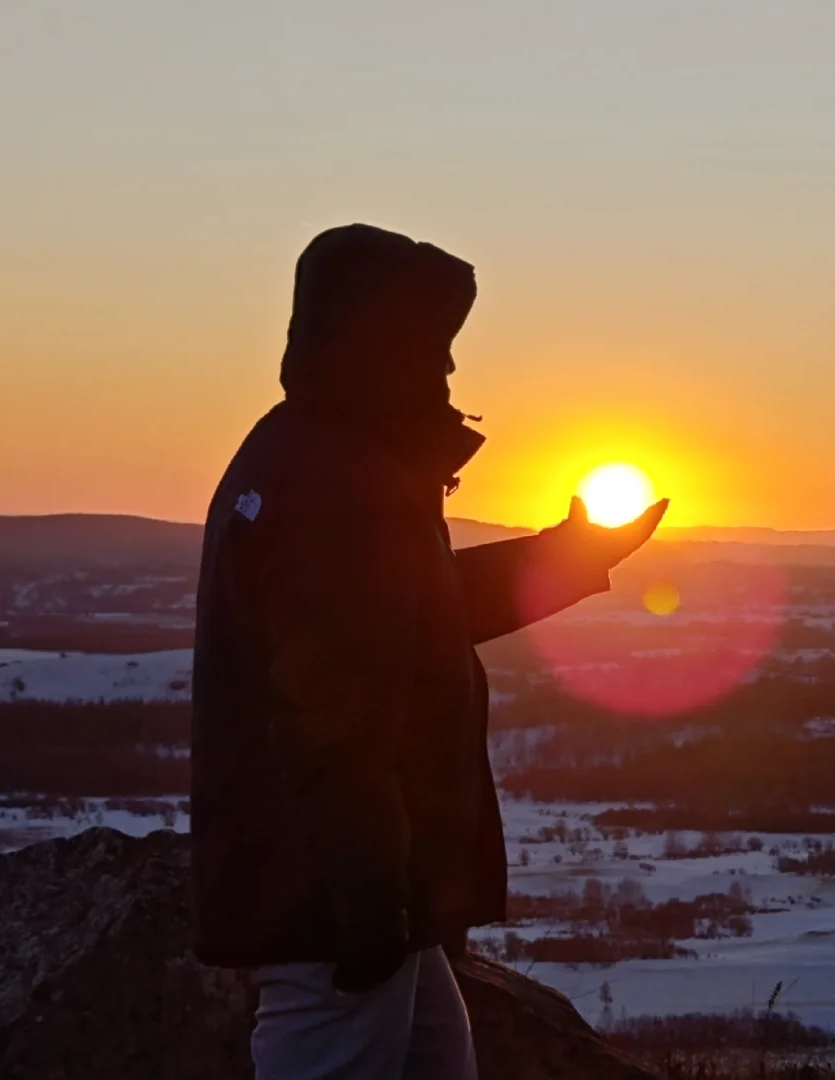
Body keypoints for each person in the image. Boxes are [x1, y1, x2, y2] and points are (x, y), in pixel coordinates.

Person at [190, 223, 666, 1079]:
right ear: (374, 346)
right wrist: (369, 914)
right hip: (336, 904)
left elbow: (404, 613)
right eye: (431, 348)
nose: (449, 373)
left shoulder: (314, 458)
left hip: (358, 895)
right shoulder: (336, 487)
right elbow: (332, 727)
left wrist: (570, 556)